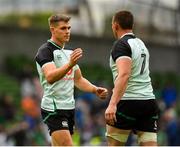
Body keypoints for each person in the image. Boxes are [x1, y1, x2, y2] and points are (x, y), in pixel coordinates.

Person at [35, 14, 108, 146]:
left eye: (69, 28)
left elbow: (78, 79)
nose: (67, 31)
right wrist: (69, 64)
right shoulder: (45, 51)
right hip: (54, 108)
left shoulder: (69, 53)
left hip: (69, 108)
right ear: (53, 29)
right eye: (63, 28)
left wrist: (94, 89)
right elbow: (50, 77)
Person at [105, 10, 159, 146]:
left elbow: (124, 74)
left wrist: (112, 104)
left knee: (114, 144)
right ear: (132, 25)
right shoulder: (141, 44)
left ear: (115, 25)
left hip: (128, 101)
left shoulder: (121, 44)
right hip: (148, 101)